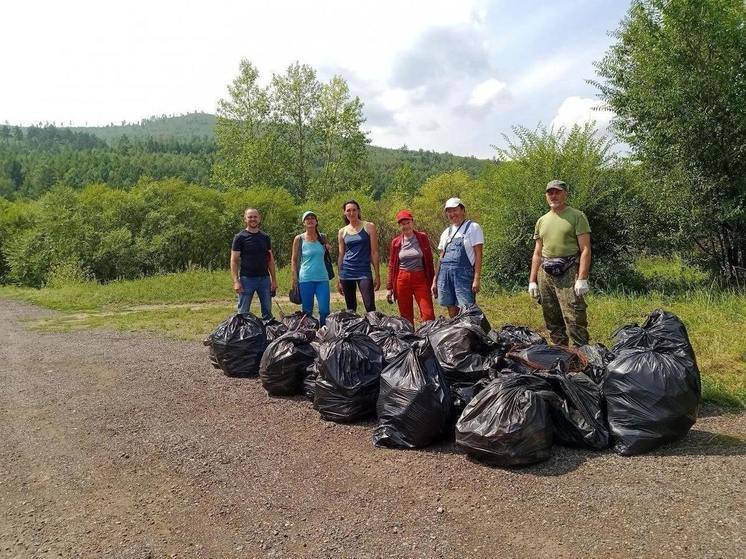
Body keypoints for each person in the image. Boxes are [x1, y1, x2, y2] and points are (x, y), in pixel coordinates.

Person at [528, 179, 591, 346]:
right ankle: (561, 355)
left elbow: (585, 249)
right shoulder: (542, 221)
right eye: (550, 192)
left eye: (557, 192)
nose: (553, 195)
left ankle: (582, 358)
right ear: (546, 196)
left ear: (565, 194)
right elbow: (537, 252)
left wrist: (582, 278)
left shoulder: (577, 216)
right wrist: (532, 281)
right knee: (551, 317)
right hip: (545, 272)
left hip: (569, 271)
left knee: (574, 317)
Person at [432, 197, 484, 318]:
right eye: (449, 211)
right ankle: (456, 332)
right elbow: (441, 257)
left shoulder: (473, 227)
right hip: (445, 275)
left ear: (462, 210)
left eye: (455, 210)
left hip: (463, 275)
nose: (452, 214)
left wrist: (476, 278)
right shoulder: (446, 232)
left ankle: (469, 333)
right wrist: (435, 280)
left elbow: (478, 254)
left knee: (467, 308)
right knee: (450, 306)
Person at [386, 210, 436, 325]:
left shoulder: (422, 237)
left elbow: (429, 260)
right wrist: (389, 287)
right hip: (402, 279)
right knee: (405, 314)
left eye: (407, 222)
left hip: (420, 277)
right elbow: (392, 264)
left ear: (412, 222)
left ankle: (428, 337)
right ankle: (409, 339)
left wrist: (433, 281)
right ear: (400, 226)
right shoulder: (396, 242)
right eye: (403, 224)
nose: (406, 226)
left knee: (428, 313)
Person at [230, 208, 278, 319]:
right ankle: (241, 334)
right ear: (245, 219)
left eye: (255, 217)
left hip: (264, 279)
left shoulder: (265, 237)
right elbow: (234, 260)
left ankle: (266, 333)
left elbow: (270, 259)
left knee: (267, 313)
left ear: (259, 218)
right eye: (250, 217)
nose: (253, 219)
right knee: (243, 313)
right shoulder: (239, 237)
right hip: (246, 280)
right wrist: (236, 281)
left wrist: (274, 280)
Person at [337, 200, 380, 313]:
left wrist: (377, 275)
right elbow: (341, 255)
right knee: (351, 308)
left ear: (358, 211)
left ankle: (374, 329)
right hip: (346, 272)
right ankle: (354, 329)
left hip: (364, 271)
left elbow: (374, 252)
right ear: (345, 213)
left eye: (354, 210)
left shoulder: (369, 226)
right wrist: (339, 277)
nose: (351, 213)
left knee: (370, 305)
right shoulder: (342, 231)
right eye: (348, 210)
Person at [291, 210, 332, 326]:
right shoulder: (299, 239)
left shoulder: (322, 237)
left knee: (325, 310)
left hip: (322, 278)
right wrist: (294, 278)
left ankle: (323, 332)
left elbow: (328, 252)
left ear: (316, 221)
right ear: (303, 223)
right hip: (306, 278)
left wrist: (328, 248)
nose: (310, 220)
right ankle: (309, 334)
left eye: (312, 218)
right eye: (307, 219)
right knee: (307, 311)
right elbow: (294, 260)